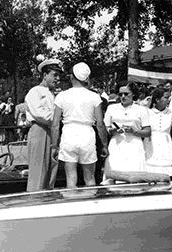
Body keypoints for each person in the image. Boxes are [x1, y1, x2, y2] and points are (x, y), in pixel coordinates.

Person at [51, 62, 109, 188]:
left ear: (72, 77)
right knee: (90, 178)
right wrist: (104, 145)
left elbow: (55, 124)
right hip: (87, 135)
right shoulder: (94, 97)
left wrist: (54, 146)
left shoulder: (62, 96)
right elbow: (100, 124)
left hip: (69, 134)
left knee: (71, 178)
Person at [24, 58, 63, 191]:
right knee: (38, 172)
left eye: (59, 75)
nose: (57, 79)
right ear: (44, 75)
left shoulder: (55, 95)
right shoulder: (35, 92)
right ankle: (34, 199)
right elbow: (41, 115)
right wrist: (59, 117)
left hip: (53, 132)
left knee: (51, 171)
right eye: (54, 75)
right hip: (40, 131)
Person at [103, 82, 151, 177]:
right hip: (116, 145)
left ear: (133, 94)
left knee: (134, 173)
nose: (123, 96)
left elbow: (148, 132)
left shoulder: (142, 109)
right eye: (120, 94)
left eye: (126, 94)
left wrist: (135, 131)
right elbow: (106, 127)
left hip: (134, 146)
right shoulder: (111, 108)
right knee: (115, 171)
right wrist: (113, 131)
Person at [144, 88, 172, 176]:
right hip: (150, 145)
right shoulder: (147, 112)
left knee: (165, 174)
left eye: (169, 97)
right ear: (158, 99)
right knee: (150, 172)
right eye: (166, 97)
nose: (169, 100)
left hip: (166, 146)